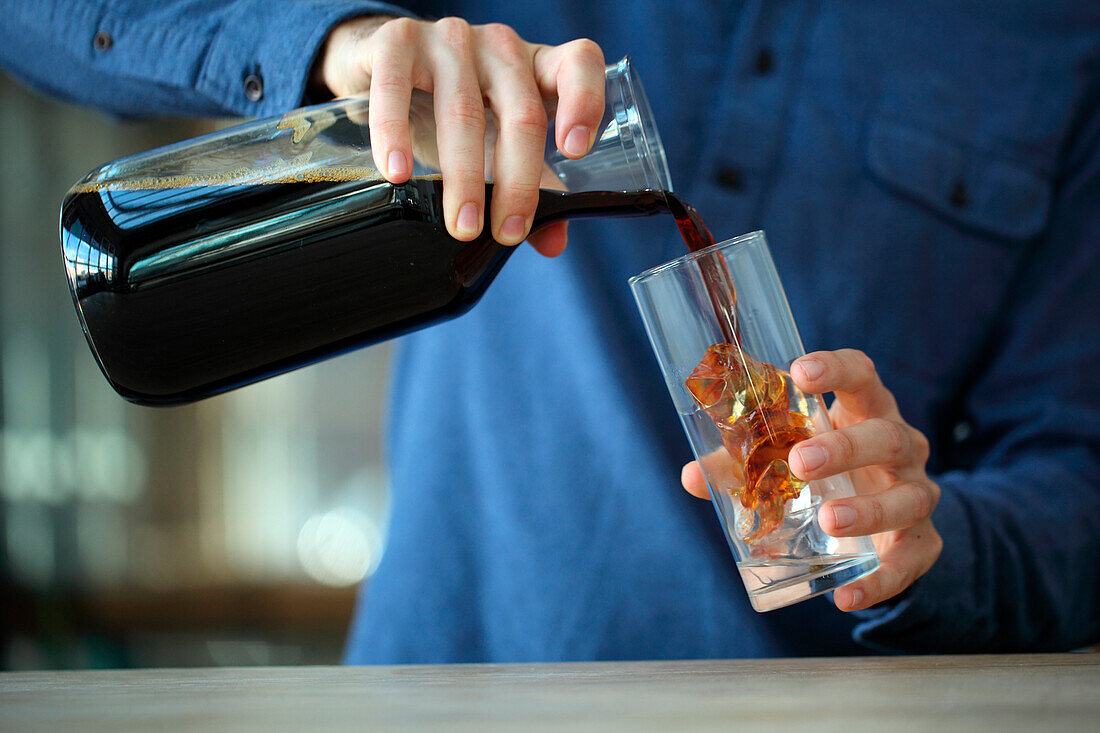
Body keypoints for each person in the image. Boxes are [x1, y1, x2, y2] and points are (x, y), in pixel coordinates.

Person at [3, 0, 1098, 660]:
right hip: (446, 692)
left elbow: (1075, 475)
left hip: (822, 700)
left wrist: (929, 532)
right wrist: (337, 39)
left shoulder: (1053, 35)